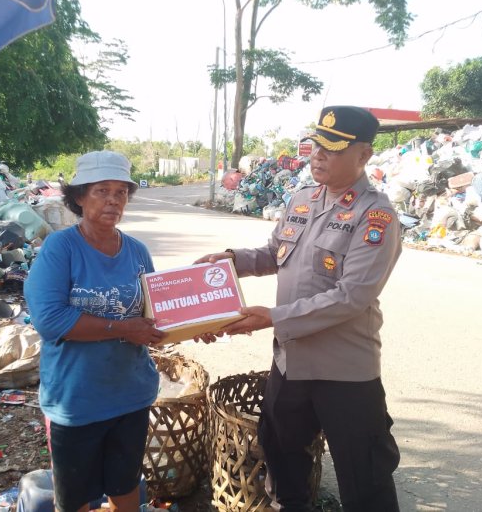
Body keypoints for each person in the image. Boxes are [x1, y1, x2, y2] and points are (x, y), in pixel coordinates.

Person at [196, 106, 402, 512]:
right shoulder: (303, 199)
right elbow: (275, 253)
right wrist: (230, 259)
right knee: (281, 451)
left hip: (343, 370)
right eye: (316, 145)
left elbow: (352, 296)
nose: (318, 155)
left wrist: (272, 317)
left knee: (365, 475)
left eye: (333, 148)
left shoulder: (375, 215)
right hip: (291, 362)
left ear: (364, 155)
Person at [24, 150, 165, 512]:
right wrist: (124, 329)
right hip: (76, 400)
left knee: (125, 484)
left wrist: (196, 324)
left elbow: (154, 314)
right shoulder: (61, 248)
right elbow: (51, 319)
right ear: (79, 197)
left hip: (131, 394)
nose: (114, 200)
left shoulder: (137, 251)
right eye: (102, 190)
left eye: (121, 192)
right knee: (74, 498)